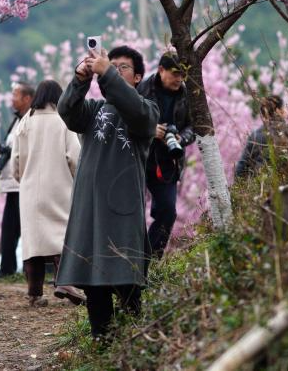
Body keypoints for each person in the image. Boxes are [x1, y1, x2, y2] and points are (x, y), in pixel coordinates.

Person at [55, 44, 159, 342]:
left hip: (123, 208)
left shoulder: (147, 109)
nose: (113, 69)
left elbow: (138, 113)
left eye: (122, 67)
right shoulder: (94, 111)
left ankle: (134, 343)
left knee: (128, 279)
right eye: (110, 64)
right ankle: (102, 341)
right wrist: (80, 79)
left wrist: (107, 74)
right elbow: (67, 111)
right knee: (93, 279)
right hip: (91, 208)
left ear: (138, 77)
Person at [11, 79, 83, 307]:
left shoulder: (24, 123)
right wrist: (77, 181)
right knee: (62, 235)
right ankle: (65, 282)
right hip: (59, 186)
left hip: (30, 189)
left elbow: (16, 161)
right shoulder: (63, 122)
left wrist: (23, 179)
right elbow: (75, 157)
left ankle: (34, 293)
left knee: (33, 241)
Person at [138, 52, 196, 261]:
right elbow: (129, 118)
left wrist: (181, 138)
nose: (179, 78)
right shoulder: (142, 88)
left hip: (169, 160)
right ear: (161, 70)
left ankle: (150, 262)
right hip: (140, 157)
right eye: (175, 74)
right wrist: (150, 129)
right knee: (131, 211)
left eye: (183, 75)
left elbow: (193, 125)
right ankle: (128, 261)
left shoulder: (187, 94)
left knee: (168, 212)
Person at [0, 80, 34, 278]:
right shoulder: (18, 120)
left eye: (15, 96)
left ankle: (21, 270)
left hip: (23, 184)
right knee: (9, 229)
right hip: (13, 185)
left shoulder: (31, 120)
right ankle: (7, 269)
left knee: (20, 229)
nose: (12, 100)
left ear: (27, 98)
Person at [235, 95, 288, 179]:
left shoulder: (255, 135)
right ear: (278, 111)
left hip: (259, 183)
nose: (286, 111)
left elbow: (241, 167)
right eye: (283, 108)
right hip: (284, 183)